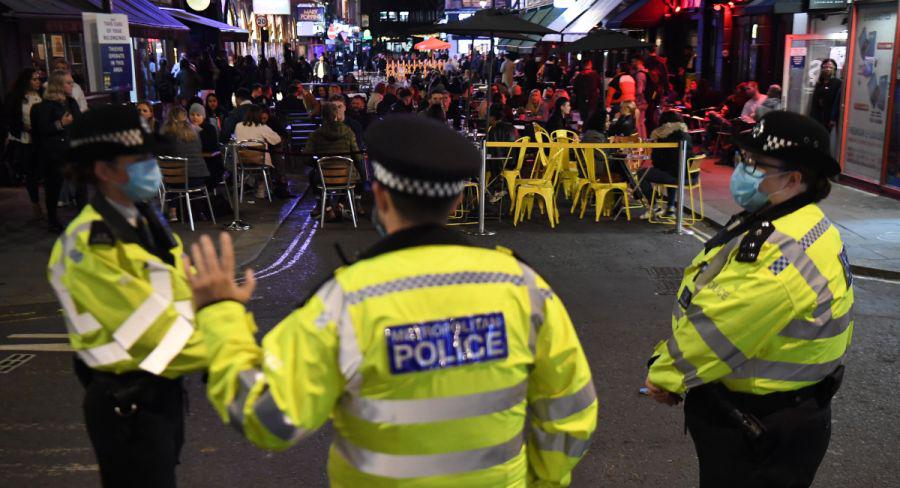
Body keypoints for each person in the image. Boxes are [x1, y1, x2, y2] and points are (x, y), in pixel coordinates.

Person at [184, 114, 597, 487]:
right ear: (456, 201)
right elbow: (571, 412)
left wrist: (219, 316)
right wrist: (540, 481)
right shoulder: (525, 289)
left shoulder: (347, 301)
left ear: (379, 195)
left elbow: (269, 418)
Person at [644, 110, 853, 488]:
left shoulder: (782, 247)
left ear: (793, 179)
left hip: (762, 428)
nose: (744, 169)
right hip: (779, 415)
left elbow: (724, 325)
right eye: (745, 159)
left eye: (756, 164)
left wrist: (668, 374)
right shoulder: (794, 221)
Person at [48, 105, 208, 488]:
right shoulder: (89, 245)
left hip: (157, 397)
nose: (150, 166)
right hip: (127, 404)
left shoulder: (142, 219)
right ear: (103, 169)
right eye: (139, 160)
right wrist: (230, 345)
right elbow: (157, 334)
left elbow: (184, 290)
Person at [31, 70, 82, 232]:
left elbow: (79, 123)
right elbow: (42, 129)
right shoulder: (44, 106)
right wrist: (60, 123)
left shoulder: (71, 102)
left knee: (81, 185)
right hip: (54, 153)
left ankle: (84, 217)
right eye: (68, 82)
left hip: (72, 149)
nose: (71, 85)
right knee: (53, 188)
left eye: (71, 82)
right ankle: (53, 220)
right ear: (58, 85)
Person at [637, 111, 692, 218]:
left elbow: (657, 162)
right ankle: (670, 207)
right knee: (671, 171)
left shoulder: (662, 135)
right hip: (689, 176)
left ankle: (654, 207)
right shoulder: (686, 134)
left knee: (641, 174)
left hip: (676, 175)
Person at [158, 106, 208, 220]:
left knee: (170, 176)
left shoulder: (165, 134)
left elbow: (161, 155)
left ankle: (173, 212)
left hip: (176, 179)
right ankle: (198, 212)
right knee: (177, 175)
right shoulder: (195, 132)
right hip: (198, 177)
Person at [6, 68, 44, 219]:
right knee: (30, 173)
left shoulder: (42, 95)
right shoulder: (15, 97)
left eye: (38, 79)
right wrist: (23, 126)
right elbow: (10, 118)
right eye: (34, 79)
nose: (38, 82)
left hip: (41, 139)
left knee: (43, 171)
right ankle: (35, 203)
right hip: (24, 140)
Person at [234, 104, 282, 200]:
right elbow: (277, 140)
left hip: (242, 161)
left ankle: (251, 181)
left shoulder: (238, 126)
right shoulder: (262, 127)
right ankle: (261, 187)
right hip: (260, 162)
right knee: (274, 157)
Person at [189, 104, 223, 187]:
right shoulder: (187, 128)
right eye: (192, 115)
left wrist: (197, 131)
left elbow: (209, 146)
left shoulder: (209, 128)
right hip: (193, 161)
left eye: (198, 115)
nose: (195, 117)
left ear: (203, 116)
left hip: (209, 160)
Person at [810, 58, 842, 132]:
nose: (828, 69)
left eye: (830, 67)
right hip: (817, 117)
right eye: (826, 67)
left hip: (830, 119)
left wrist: (833, 119)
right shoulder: (819, 83)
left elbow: (837, 103)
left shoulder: (838, 83)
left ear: (834, 69)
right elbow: (814, 102)